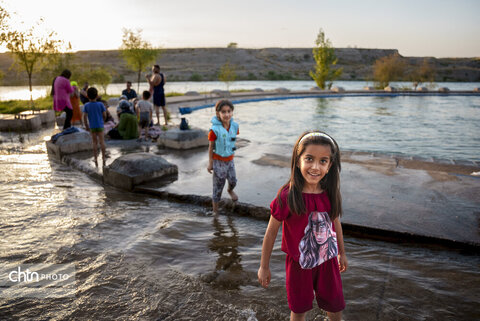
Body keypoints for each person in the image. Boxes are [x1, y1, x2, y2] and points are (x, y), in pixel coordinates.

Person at [257, 131, 347, 321]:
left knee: (335, 307)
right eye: (309, 159)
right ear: (298, 161)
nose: (315, 167)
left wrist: (342, 252)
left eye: (323, 161)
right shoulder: (287, 196)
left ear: (330, 166)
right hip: (299, 264)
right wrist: (264, 266)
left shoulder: (330, 193)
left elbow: (335, 223)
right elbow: (271, 232)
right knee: (299, 310)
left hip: (328, 262)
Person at [207, 100, 239, 214]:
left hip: (230, 160)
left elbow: (233, 139)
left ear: (232, 112)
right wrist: (210, 163)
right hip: (218, 161)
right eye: (223, 112)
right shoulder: (214, 130)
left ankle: (230, 190)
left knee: (233, 180)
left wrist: (232, 150)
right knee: (218, 187)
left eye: (229, 111)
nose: (226, 114)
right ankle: (215, 212)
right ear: (218, 114)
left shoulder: (235, 126)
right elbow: (211, 147)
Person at [82, 87, 106, 167]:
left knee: (94, 142)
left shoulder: (86, 105)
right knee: (102, 141)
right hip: (100, 125)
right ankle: (103, 157)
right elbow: (104, 115)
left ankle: (95, 158)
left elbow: (84, 117)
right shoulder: (100, 104)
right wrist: (103, 120)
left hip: (92, 127)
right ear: (97, 95)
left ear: (87, 96)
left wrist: (86, 126)